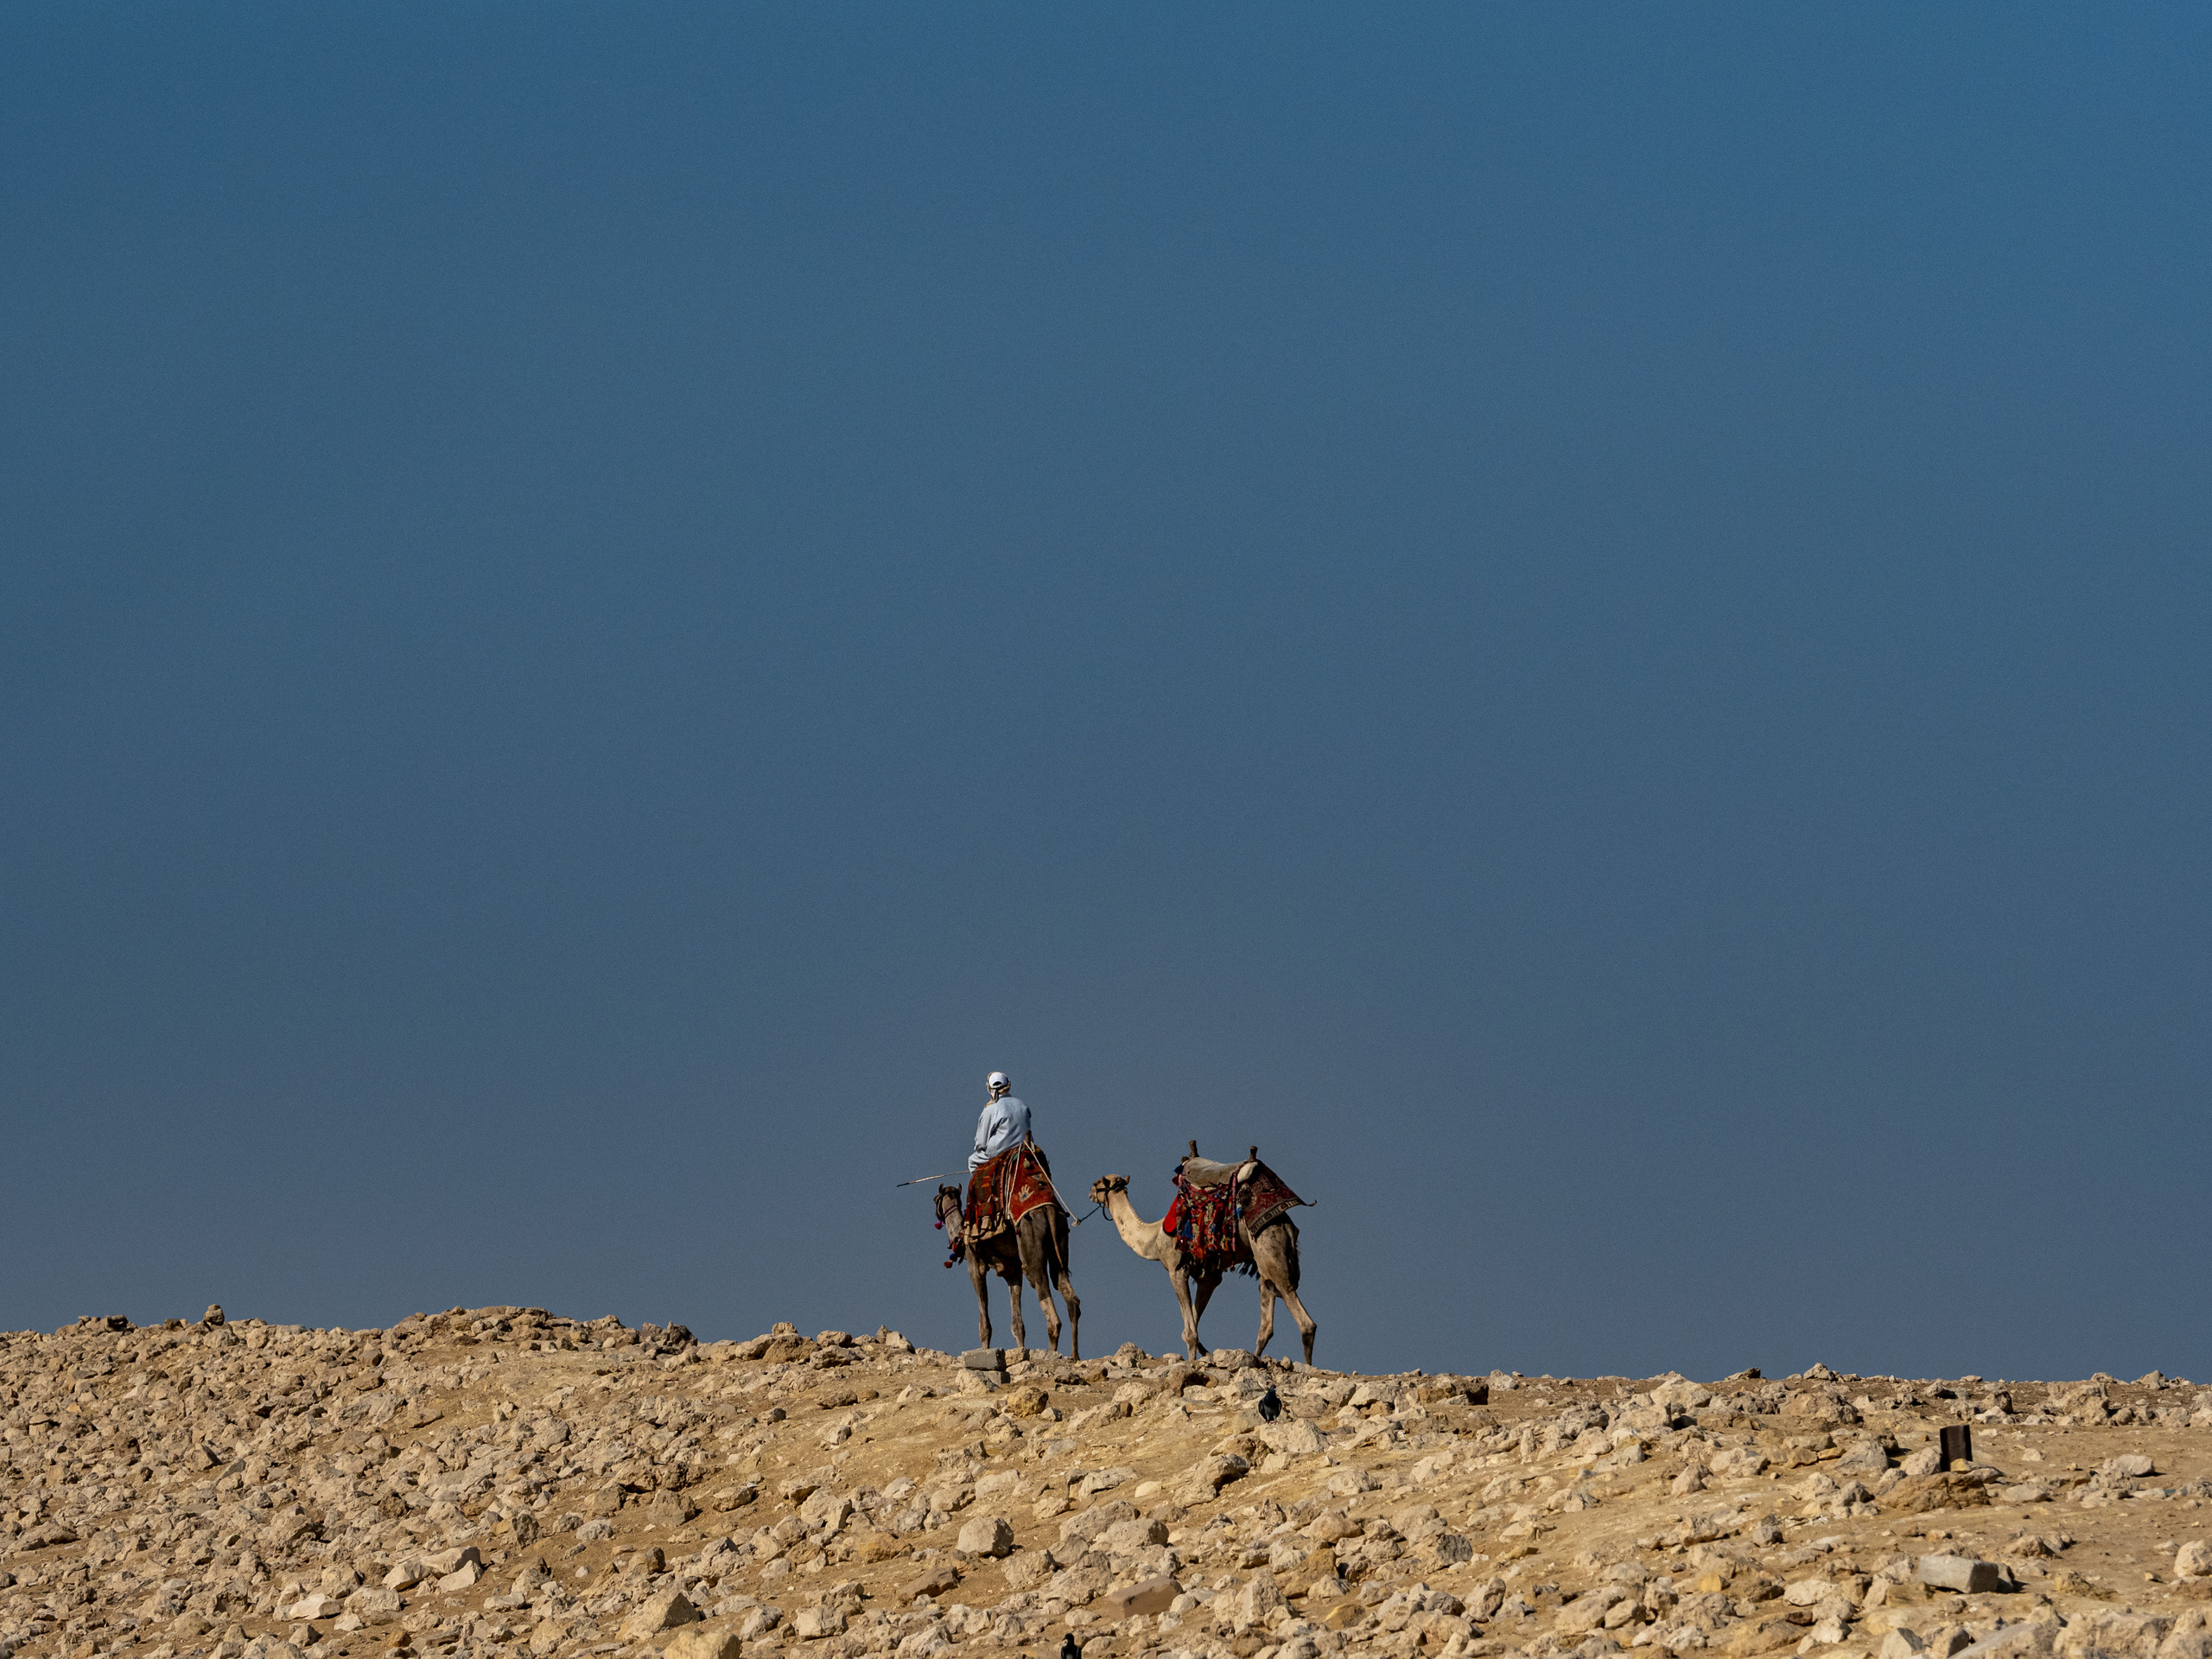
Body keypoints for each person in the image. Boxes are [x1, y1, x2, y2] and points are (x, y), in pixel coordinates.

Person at [969, 1071, 1031, 1170]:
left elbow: (981, 1143)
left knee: (972, 1161)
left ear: (989, 1088)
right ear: (1008, 1084)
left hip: (999, 1153)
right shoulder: (1023, 1105)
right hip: (1025, 1150)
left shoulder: (991, 1109)